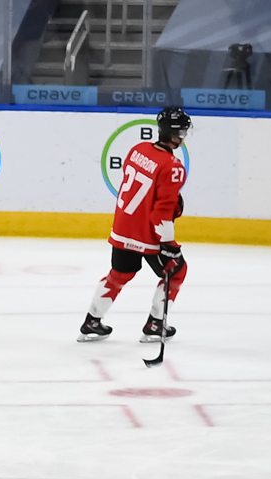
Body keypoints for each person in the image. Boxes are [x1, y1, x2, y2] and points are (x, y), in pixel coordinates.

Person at [81, 107, 190, 344]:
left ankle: (91, 321)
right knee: (177, 271)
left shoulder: (137, 150)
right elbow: (161, 213)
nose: (183, 136)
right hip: (147, 234)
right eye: (181, 132)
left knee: (120, 274)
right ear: (174, 134)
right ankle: (155, 324)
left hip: (122, 228)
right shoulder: (173, 167)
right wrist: (169, 244)